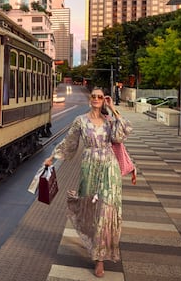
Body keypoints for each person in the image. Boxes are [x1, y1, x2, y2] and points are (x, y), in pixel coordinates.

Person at [44, 87, 133, 278]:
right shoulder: (80, 121)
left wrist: (113, 109)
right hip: (89, 167)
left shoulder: (110, 121)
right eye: (93, 96)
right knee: (90, 210)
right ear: (89, 99)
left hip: (109, 168)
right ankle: (93, 242)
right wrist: (53, 157)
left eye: (100, 97)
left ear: (104, 100)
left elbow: (120, 136)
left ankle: (99, 259)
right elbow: (69, 143)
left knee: (105, 211)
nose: (96, 99)